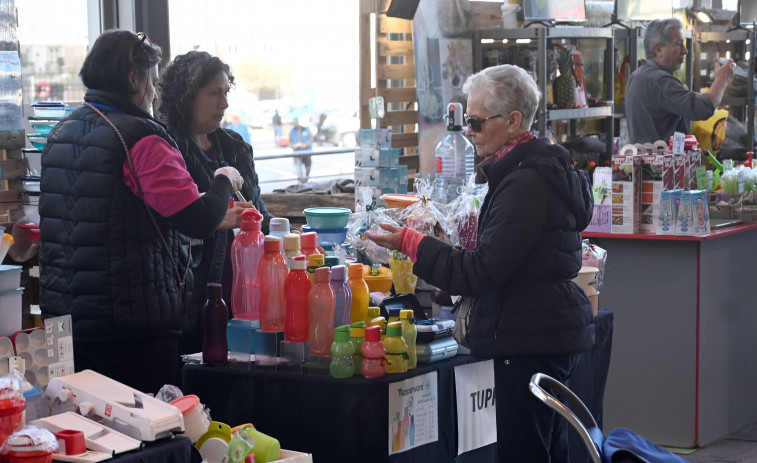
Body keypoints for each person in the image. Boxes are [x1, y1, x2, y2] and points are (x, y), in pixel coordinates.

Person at [365, 64, 595, 462]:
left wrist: (412, 243)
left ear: (513, 121)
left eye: (475, 121)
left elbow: (482, 271)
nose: (467, 131)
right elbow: (501, 260)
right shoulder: (531, 171)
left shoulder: (525, 183)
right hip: (544, 329)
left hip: (529, 335)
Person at [38, 30, 244, 394]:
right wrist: (223, 178)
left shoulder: (62, 131)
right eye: (152, 77)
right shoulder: (141, 138)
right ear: (134, 77)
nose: (154, 90)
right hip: (128, 327)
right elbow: (198, 218)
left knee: (75, 426)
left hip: (63, 320)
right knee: (144, 434)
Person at [157, 50, 275, 356]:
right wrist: (214, 219)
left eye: (225, 93)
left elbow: (261, 213)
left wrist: (257, 219)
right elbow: (161, 230)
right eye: (214, 94)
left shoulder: (235, 147)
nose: (224, 104)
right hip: (192, 299)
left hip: (245, 295)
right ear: (186, 97)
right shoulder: (166, 150)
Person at [625, 18, 736, 144]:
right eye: (679, 44)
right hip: (661, 162)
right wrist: (722, 79)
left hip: (643, 160)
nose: (685, 50)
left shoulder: (637, 76)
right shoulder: (661, 81)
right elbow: (702, 109)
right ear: (658, 50)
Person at [290, 118, 313, 183]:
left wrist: (306, 144)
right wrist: (293, 146)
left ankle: (306, 179)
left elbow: (311, 139)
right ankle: (301, 182)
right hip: (297, 152)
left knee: (308, 167)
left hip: (307, 152)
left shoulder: (306, 129)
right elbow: (290, 141)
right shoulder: (292, 131)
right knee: (299, 169)